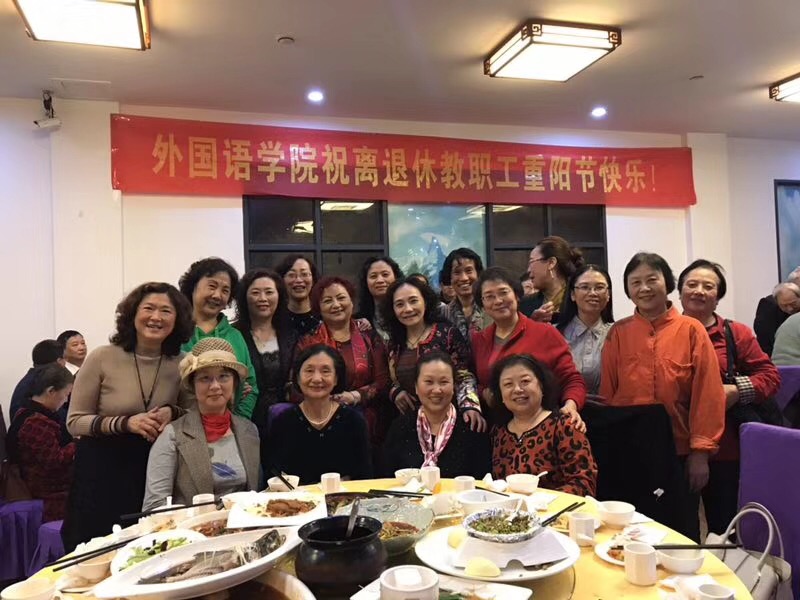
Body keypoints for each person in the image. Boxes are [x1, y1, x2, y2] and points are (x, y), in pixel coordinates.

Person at [600, 252, 726, 541]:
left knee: (678, 535)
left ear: (667, 283)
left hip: (678, 454)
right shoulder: (618, 333)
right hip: (630, 452)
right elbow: (609, 396)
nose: (644, 288)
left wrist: (700, 454)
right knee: (628, 534)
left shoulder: (692, 330)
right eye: (635, 282)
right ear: (627, 290)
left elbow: (708, 395)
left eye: (651, 280)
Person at [61, 282, 194, 551]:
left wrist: (172, 412)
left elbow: (193, 413)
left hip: (156, 469)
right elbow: (74, 421)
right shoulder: (102, 357)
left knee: (154, 549)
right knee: (97, 551)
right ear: (133, 314)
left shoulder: (182, 362)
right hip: (102, 471)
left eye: (166, 311)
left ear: (177, 319)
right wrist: (126, 423)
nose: (156, 317)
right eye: (148, 308)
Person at [678, 259, 780, 534]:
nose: (699, 291)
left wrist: (736, 391)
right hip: (675, 446)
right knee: (678, 530)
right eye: (692, 284)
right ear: (680, 291)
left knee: (724, 529)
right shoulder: (666, 332)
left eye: (708, 286)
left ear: (718, 296)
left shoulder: (735, 334)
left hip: (724, 450)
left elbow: (770, 376)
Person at [142, 338, 260, 511]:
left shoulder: (249, 430)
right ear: (193, 386)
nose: (215, 386)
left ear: (234, 383)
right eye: (205, 378)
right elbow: (154, 506)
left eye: (223, 376)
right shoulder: (173, 435)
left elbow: (256, 495)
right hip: (194, 526)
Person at [471, 267, 587, 429]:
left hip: (542, 427)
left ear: (517, 295)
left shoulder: (545, 333)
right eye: (489, 296)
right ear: (482, 304)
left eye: (503, 292)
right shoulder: (478, 340)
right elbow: (473, 381)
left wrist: (571, 405)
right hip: (496, 429)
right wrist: (483, 392)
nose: (497, 301)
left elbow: (571, 379)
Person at [294, 276, 390, 451]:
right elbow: (293, 386)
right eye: (327, 301)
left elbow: (383, 381)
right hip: (319, 418)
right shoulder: (308, 341)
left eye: (341, 298)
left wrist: (355, 396)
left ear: (351, 302)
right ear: (318, 308)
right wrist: (325, 400)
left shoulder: (369, 336)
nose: (336, 305)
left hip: (367, 421)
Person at [383, 277, 484, 431]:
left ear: (425, 301)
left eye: (413, 301)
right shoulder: (394, 343)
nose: (408, 309)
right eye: (399, 304)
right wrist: (396, 392)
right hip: (411, 423)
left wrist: (470, 406)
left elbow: (464, 374)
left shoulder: (447, 333)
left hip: (451, 419)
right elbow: (387, 379)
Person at [490, 354, 597, 496]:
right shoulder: (498, 432)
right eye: (508, 384)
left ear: (541, 385)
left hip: (557, 508)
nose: (517, 389)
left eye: (525, 381)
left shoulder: (564, 426)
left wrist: (542, 501)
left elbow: (584, 483)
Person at [267, 344, 372, 484]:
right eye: (309, 371)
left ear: (336, 379)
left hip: (345, 496)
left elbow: (364, 477)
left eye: (325, 371)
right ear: (297, 377)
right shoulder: (283, 422)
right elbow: (274, 474)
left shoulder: (353, 421)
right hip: (297, 497)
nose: (317, 378)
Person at [382, 352, 491, 478]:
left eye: (443, 382)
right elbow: (387, 479)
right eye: (429, 382)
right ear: (416, 386)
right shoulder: (400, 427)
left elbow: (482, 482)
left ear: (454, 386)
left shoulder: (471, 427)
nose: (437, 390)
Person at [179, 257, 258, 419]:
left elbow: (250, 386)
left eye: (225, 290)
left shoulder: (235, 336)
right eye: (212, 286)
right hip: (182, 425)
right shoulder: (176, 333)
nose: (217, 295)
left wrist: (237, 422)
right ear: (193, 287)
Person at [6, 364, 75, 522]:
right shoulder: (36, 423)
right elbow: (55, 461)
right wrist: (78, 443)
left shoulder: (25, 412)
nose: (66, 400)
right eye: (66, 394)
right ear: (51, 391)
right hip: (45, 493)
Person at [233, 268, 294, 425]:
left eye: (269, 292)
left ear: (279, 296)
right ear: (244, 297)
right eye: (255, 293)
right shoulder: (233, 335)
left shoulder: (290, 335)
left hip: (286, 418)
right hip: (244, 417)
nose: (263, 298)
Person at [557, 265, 615, 395]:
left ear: (608, 295)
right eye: (584, 287)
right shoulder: (555, 333)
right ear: (572, 294)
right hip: (565, 405)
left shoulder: (618, 333)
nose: (593, 293)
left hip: (609, 406)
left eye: (599, 287)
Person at [520, 236, 584, 323]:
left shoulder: (578, 300)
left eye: (531, 262)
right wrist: (533, 323)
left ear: (551, 263)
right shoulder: (525, 304)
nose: (528, 270)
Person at [441, 248, 492, 340]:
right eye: (457, 272)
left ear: (478, 274)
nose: (464, 278)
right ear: (450, 277)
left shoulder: (491, 308)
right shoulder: (442, 314)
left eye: (469, 271)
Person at [10, 339, 66, 419]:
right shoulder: (46, 383)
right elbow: (62, 419)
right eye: (64, 359)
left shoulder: (31, 378)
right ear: (59, 361)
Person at [355, 256, 403, 342]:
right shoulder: (359, 322)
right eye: (373, 276)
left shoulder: (406, 313)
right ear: (366, 282)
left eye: (385, 275)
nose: (380, 280)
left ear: (396, 277)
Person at [753, 272, 800, 355]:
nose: (790, 309)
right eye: (784, 305)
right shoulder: (768, 306)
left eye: (793, 304)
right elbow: (764, 338)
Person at [276, 254, 321, 338]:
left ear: (313, 279)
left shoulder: (324, 316)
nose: (298, 280)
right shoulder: (275, 318)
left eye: (304, 274)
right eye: (291, 275)